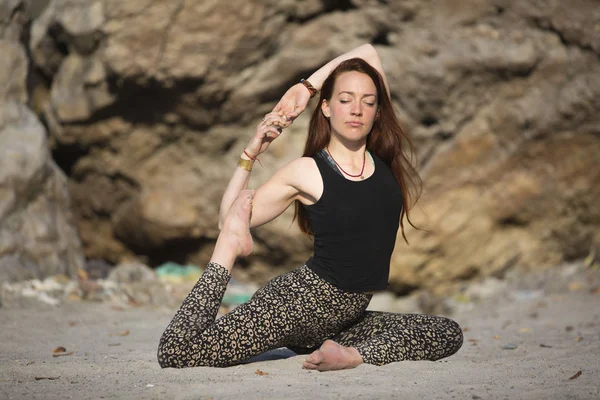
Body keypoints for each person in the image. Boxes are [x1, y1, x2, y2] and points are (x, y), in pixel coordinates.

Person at [157, 44, 463, 371]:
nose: (357, 109)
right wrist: (251, 153)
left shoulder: (384, 156)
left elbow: (369, 52)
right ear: (327, 108)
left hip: (345, 320)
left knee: (447, 332)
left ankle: (350, 355)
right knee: (178, 353)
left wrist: (306, 88)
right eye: (345, 100)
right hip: (294, 306)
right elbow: (228, 219)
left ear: (377, 111)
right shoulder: (307, 170)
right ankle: (231, 251)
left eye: (368, 102)